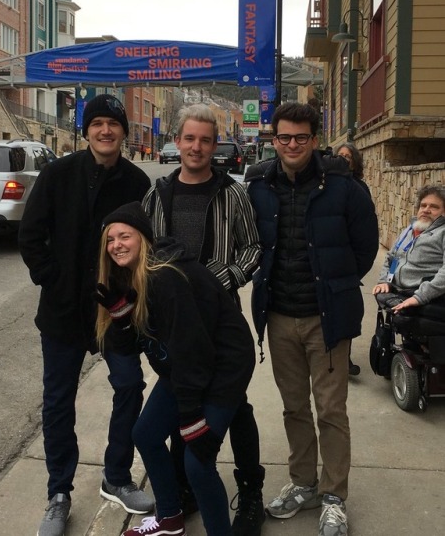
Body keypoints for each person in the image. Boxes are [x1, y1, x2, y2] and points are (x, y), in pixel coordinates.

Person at [18, 95, 154, 536]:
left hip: (115, 311)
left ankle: (116, 474)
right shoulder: (58, 174)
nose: (105, 131)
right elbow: (31, 233)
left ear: (122, 131)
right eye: (96, 123)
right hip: (61, 313)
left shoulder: (136, 182)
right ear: (86, 130)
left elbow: (146, 247)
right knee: (58, 402)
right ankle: (59, 492)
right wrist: (52, 280)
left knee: (130, 384)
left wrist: (128, 297)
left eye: (113, 124)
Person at [246, 102, 379, 536]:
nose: (291, 145)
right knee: (294, 407)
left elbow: (365, 248)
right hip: (280, 316)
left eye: (300, 138)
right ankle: (303, 482)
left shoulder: (344, 187)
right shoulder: (259, 185)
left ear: (315, 140)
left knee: (330, 409)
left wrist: (334, 285)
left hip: (327, 318)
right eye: (283, 137)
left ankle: (334, 495)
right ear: (274, 139)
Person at [95, 202, 256, 536]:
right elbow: (138, 349)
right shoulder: (131, 278)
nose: (116, 245)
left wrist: (192, 416)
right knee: (146, 434)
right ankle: (170, 519)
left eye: (125, 236)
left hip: (223, 367)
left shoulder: (165, 277)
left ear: (143, 239)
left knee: (197, 463)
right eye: (110, 240)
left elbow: (190, 350)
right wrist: (122, 318)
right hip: (186, 366)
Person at [143, 103, 265, 536]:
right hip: (175, 327)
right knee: (182, 401)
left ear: (216, 146)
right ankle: (185, 491)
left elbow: (252, 249)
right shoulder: (157, 196)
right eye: (189, 138)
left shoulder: (232, 194)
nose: (196, 147)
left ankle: (250, 491)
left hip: (220, 326)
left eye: (206, 140)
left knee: (235, 408)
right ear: (177, 141)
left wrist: (216, 280)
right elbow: (143, 254)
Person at [372, 184, 445, 311]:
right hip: (398, 293)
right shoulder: (410, 229)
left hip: (425, 299)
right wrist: (385, 280)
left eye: (434, 207)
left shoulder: (442, 233)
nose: (426, 210)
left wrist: (420, 297)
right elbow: (392, 257)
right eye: (423, 205)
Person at [335, 142, 372, 376]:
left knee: (348, 313)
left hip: (349, 259)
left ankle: (344, 359)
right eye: (340, 156)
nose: (344, 160)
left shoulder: (360, 188)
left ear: (355, 161)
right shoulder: (326, 184)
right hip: (333, 257)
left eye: (348, 157)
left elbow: (366, 232)